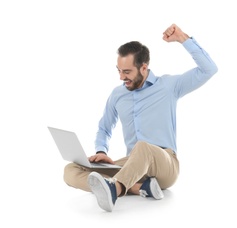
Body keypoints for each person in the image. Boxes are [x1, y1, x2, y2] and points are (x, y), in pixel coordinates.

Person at [64, 23, 218, 212]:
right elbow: (104, 128)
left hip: (165, 165)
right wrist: (101, 151)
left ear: (144, 67)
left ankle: (116, 189)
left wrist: (182, 38)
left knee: (142, 147)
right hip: (133, 165)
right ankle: (140, 188)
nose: (121, 77)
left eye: (127, 72)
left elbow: (209, 69)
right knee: (71, 170)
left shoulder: (168, 86)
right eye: (119, 70)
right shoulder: (117, 94)